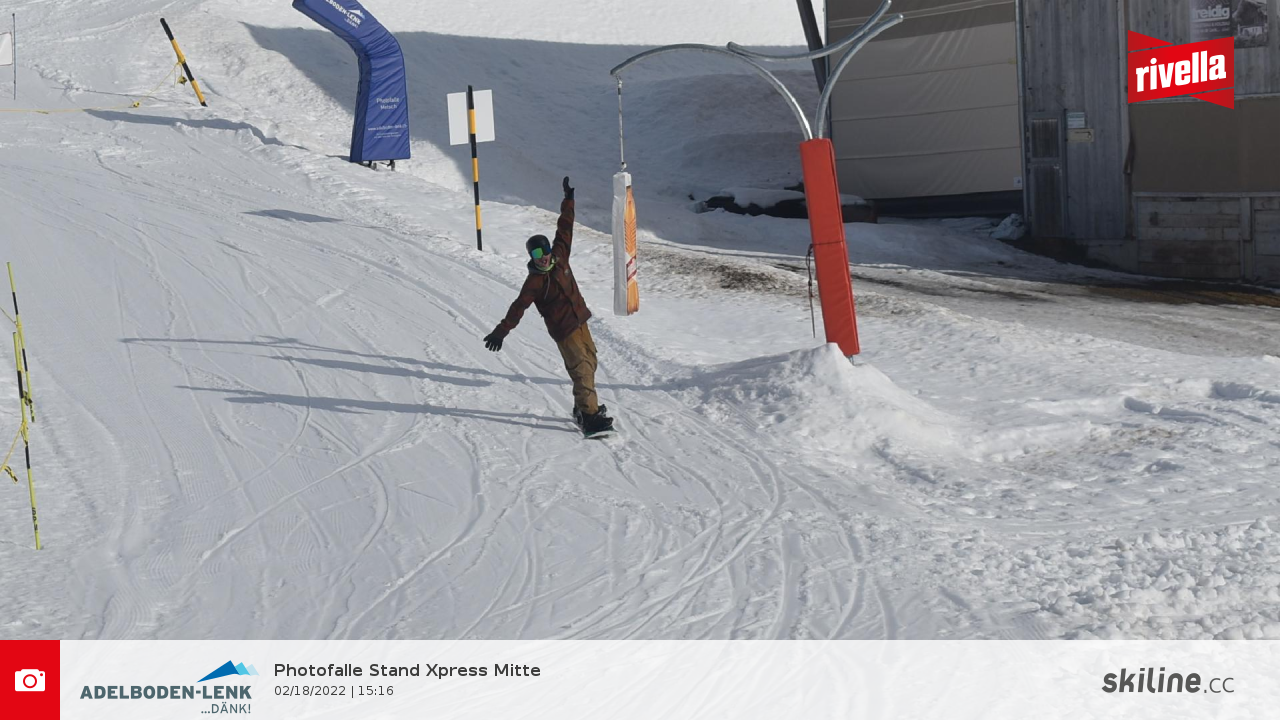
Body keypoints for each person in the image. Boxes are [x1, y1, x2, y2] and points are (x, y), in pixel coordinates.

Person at [483, 177, 614, 436]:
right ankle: (589, 417)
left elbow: (565, 227)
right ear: (530, 257)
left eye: (543, 252)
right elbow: (518, 308)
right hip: (564, 330)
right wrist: (500, 332)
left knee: (591, 362)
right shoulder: (534, 282)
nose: (541, 258)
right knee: (581, 369)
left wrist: (568, 200)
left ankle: (582, 408)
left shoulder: (560, 255)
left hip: (581, 320)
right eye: (535, 255)